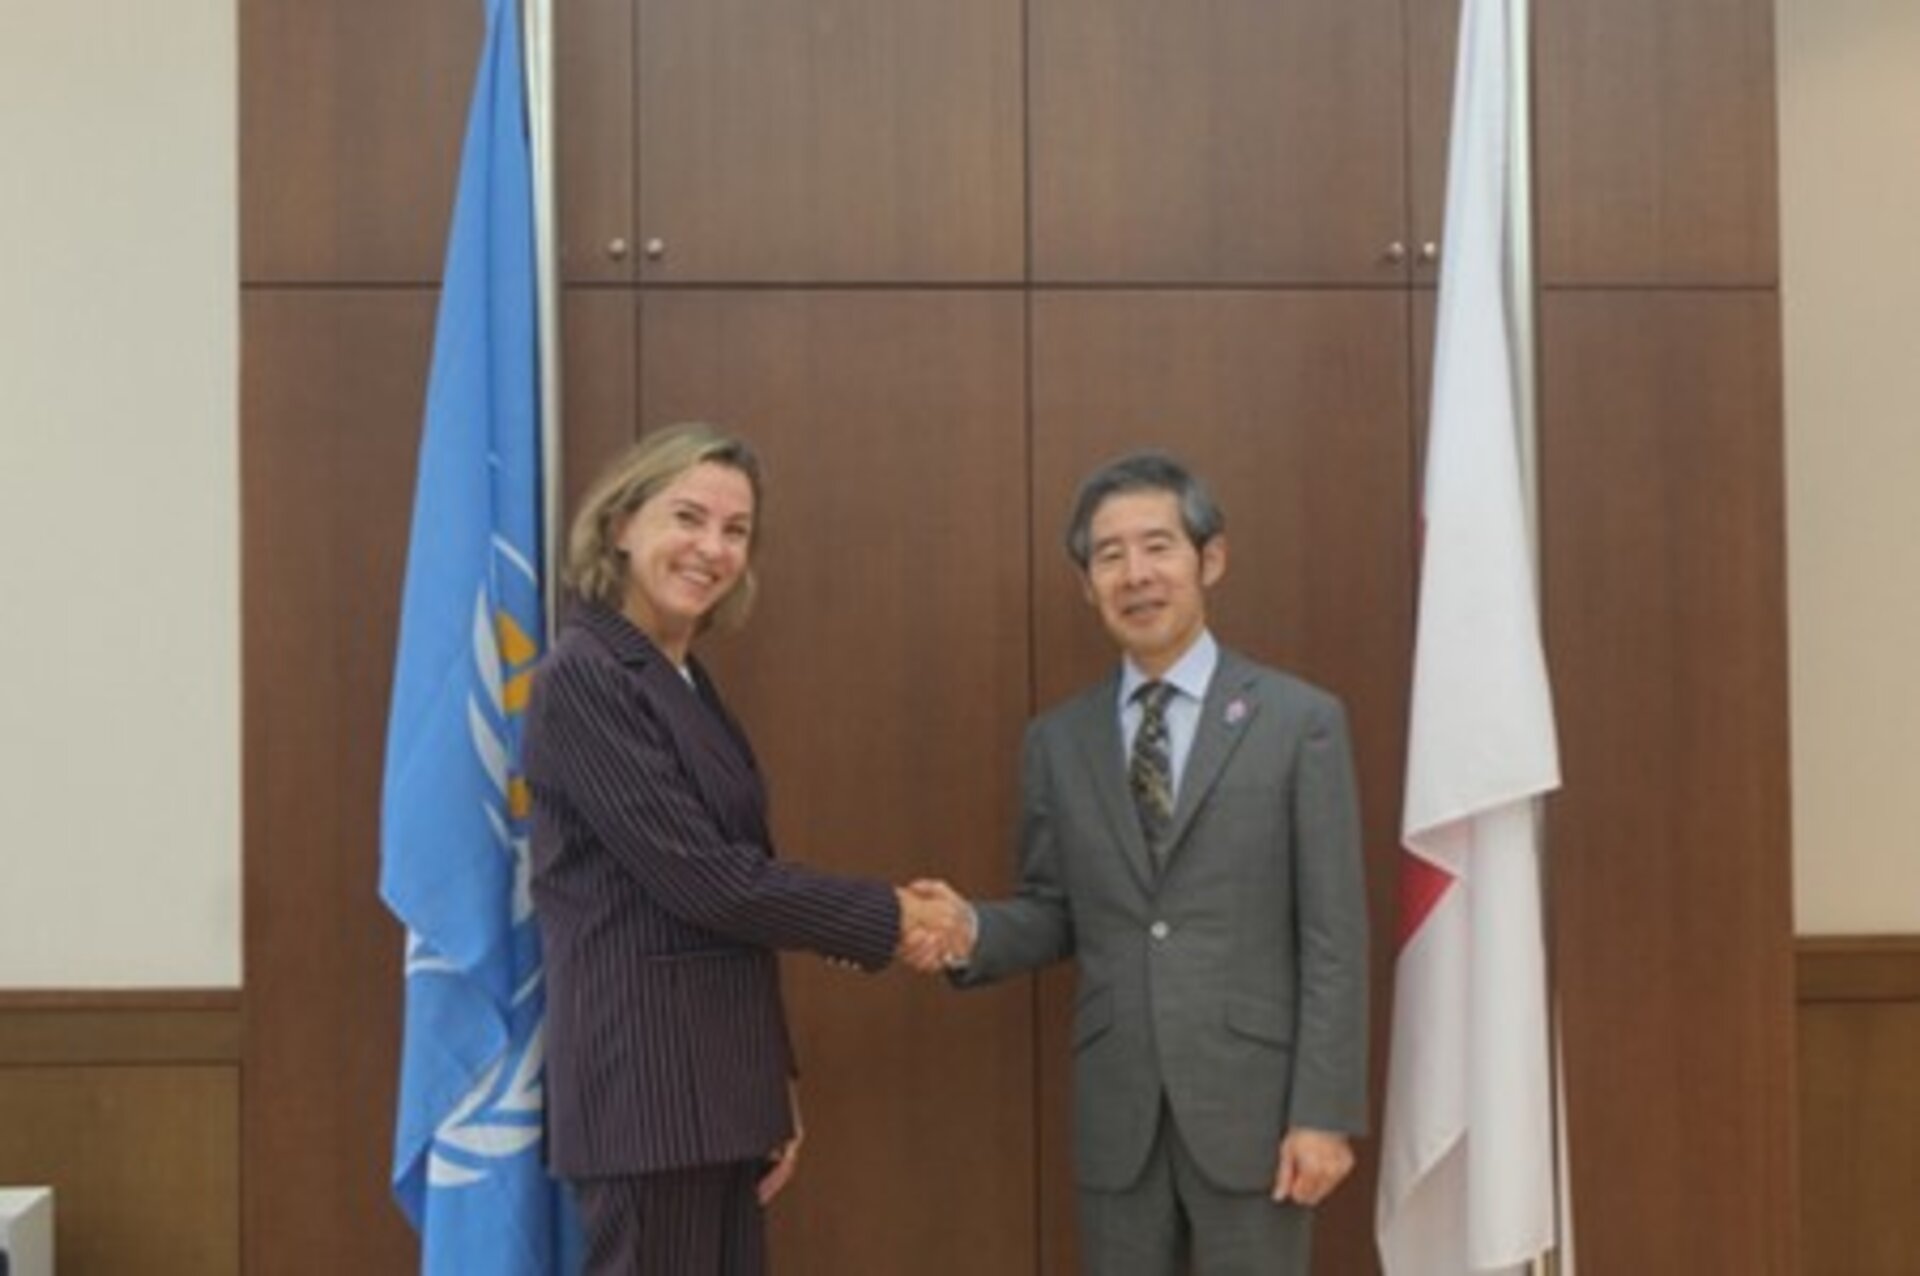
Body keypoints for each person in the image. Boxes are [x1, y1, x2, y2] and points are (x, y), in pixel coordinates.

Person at [910, 450, 1369, 1276]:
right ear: (1087, 582)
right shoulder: (1058, 740)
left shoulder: (1299, 721)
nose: (1136, 574)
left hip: (1257, 1116)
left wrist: (1323, 1114)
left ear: (1210, 559)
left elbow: (1333, 934)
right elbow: (1057, 908)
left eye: (1157, 546)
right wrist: (970, 929)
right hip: (1118, 1117)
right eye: (1109, 555)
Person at [523, 423, 960, 1276]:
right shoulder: (587, 674)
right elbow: (706, 883)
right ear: (619, 525)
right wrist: (888, 915)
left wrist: (767, 1084)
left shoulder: (678, 676)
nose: (711, 548)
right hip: (649, 1098)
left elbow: (720, 914)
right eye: (687, 517)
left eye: (735, 531)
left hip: (710, 1093)